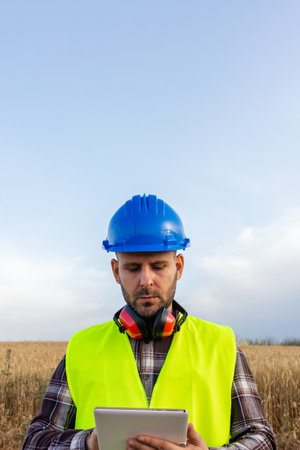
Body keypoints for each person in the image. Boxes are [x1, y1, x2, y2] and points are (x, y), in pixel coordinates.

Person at [22, 194, 276, 450]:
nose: (145, 281)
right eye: (132, 268)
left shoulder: (221, 344)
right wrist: (88, 442)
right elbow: (35, 442)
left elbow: (262, 439)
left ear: (178, 267)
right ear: (115, 271)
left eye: (158, 266)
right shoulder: (81, 347)